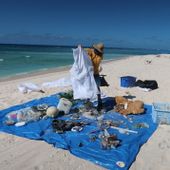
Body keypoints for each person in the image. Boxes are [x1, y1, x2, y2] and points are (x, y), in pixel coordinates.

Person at [87, 42, 104, 111]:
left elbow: (97, 63)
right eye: (96, 50)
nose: (97, 51)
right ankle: (87, 102)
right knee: (88, 87)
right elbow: (83, 54)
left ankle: (100, 103)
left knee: (97, 88)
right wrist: (80, 48)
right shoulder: (90, 51)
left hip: (96, 73)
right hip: (88, 74)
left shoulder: (101, 55)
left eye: (99, 51)